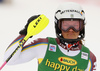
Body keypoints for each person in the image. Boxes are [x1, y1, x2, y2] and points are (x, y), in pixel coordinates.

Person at [4, 2, 96, 71]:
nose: (71, 30)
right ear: (58, 26)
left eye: (75, 25)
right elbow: (10, 60)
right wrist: (25, 34)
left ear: (82, 27)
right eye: (66, 25)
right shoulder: (44, 45)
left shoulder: (89, 58)